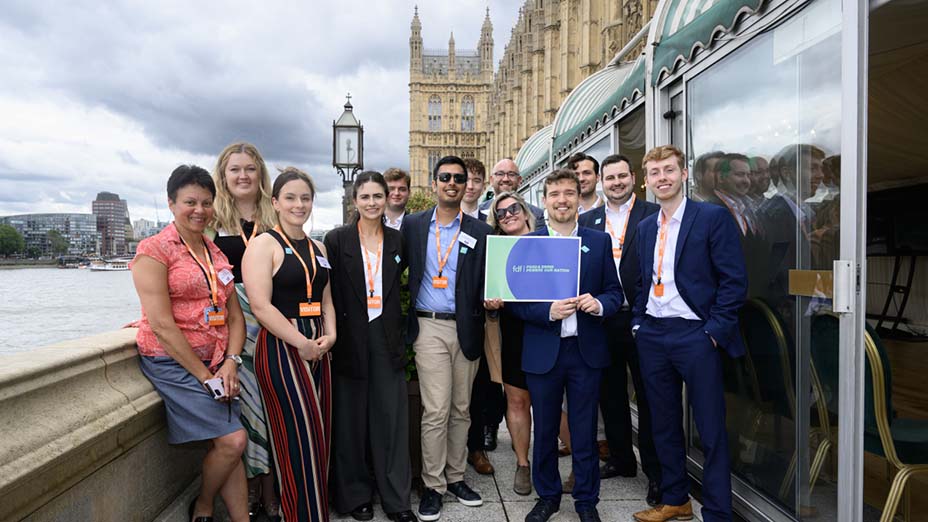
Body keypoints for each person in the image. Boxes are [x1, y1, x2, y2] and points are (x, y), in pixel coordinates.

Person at [631, 145, 747, 522]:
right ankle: (676, 498)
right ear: (646, 181)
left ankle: (717, 511)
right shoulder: (646, 226)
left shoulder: (711, 218)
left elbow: (734, 281)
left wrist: (713, 332)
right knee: (662, 423)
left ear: (684, 174)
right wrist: (638, 322)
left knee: (710, 428)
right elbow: (640, 281)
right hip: (653, 334)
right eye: (654, 172)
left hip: (696, 335)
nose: (661, 178)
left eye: (668, 170)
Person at [131, 164, 249, 522]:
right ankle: (203, 503)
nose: (199, 210)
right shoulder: (154, 250)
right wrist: (205, 377)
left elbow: (235, 317)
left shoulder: (215, 254)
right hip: (172, 362)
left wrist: (231, 361)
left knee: (228, 440)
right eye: (190, 202)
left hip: (215, 360)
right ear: (171, 203)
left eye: (206, 202)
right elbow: (163, 325)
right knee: (233, 440)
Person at [509, 169, 622, 522]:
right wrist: (547, 311)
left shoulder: (598, 241)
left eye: (569, 193)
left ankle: (587, 501)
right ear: (544, 201)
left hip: (585, 351)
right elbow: (515, 301)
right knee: (544, 429)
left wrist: (599, 304)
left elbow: (615, 293)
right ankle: (548, 497)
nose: (562, 200)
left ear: (579, 197)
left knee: (584, 430)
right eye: (555, 194)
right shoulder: (529, 244)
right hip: (544, 351)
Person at [241, 168, 337, 522]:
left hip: (319, 346)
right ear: (275, 202)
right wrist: (301, 342)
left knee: (320, 435)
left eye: (306, 198)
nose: (299, 205)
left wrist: (332, 335)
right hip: (284, 346)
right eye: (291, 198)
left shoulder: (319, 247)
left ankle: (313, 513)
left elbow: (326, 299)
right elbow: (261, 306)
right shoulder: (264, 244)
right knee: (299, 438)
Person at [402, 155, 492, 522]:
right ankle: (432, 485)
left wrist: (493, 299)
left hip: (467, 327)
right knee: (436, 409)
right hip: (428, 327)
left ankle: (456, 478)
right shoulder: (413, 225)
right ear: (434, 182)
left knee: (461, 408)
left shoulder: (481, 231)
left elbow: (489, 278)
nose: (453, 183)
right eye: (445, 177)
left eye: (459, 178)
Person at [324, 171, 416, 522]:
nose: (373, 202)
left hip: (387, 337)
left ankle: (397, 499)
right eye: (366, 197)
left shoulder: (398, 240)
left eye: (379, 196)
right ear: (355, 200)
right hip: (349, 337)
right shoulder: (337, 240)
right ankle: (354, 496)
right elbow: (328, 290)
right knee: (350, 421)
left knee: (391, 420)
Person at [577, 155, 661, 506]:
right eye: (609, 177)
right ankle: (622, 459)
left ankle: (656, 474)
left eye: (621, 176)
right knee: (609, 394)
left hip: (641, 318)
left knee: (649, 397)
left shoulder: (653, 216)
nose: (615, 182)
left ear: (633, 178)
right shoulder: (588, 221)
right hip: (601, 318)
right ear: (600, 181)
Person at [208, 141, 281, 521]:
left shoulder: (277, 214)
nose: (242, 176)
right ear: (224, 174)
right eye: (234, 169)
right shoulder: (211, 220)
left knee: (271, 410)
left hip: (272, 325)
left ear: (260, 173)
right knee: (245, 412)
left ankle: (272, 490)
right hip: (230, 330)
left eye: (249, 169)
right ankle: (251, 491)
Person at [483, 191, 537, 496]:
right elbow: (487, 291)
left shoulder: (548, 241)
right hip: (512, 331)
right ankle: (522, 464)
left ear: (525, 210)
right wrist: (490, 303)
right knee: (517, 401)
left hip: (547, 331)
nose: (508, 215)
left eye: (513, 208)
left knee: (551, 403)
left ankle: (583, 462)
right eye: (501, 213)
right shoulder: (497, 250)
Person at [464, 156, 506, 475]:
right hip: (446, 319)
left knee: (483, 385)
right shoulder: (431, 222)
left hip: (483, 318)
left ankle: (478, 446)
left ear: (484, 185)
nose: (470, 186)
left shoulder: (491, 225)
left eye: (477, 181)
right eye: (465, 179)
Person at [478, 158, 545, 227]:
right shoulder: (479, 212)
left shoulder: (537, 215)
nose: (506, 179)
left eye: (511, 174)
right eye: (500, 174)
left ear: (519, 180)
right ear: (491, 180)